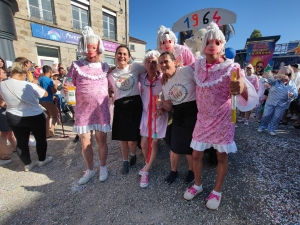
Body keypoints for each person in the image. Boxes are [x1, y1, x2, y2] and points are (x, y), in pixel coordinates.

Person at [183, 22, 258, 210]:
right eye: (208, 41)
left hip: (223, 119)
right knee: (196, 154)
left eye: (216, 41)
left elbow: (245, 94)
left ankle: (217, 190)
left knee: (221, 157)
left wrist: (240, 87)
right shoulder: (198, 65)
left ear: (222, 45)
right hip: (202, 119)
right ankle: (197, 185)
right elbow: (182, 67)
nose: (211, 44)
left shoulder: (231, 68)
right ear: (203, 45)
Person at [64, 26, 111, 185]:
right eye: (88, 47)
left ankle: (103, 167)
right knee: (85, 142)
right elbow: (69, 84)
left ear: (99, 48)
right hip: (83, 111)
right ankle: (90, 169)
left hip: (101, 110)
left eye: (93, 47)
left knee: (101, 140)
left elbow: (116, 83)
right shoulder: (76, 65)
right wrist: (66, 87)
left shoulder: (105, 67)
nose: (91, 50)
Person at [0, 61, 52, 171]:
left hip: (13, 115)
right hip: (34, 115)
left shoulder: (2, 84)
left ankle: (27, 163)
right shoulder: (29, 85)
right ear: (23, 73)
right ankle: (42, 160)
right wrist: (35, 84)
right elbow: (45, 94)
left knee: (21, 140)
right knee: (40, 139)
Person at [158, 51, 197, 185]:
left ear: (174, 62)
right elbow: (170, 106)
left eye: (166, 61)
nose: (163, 64)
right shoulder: (164, 83)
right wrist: (162, 105)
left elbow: (201, 86)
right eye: (161, 63)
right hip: (178, 112)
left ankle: (192, 171)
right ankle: (173, 171)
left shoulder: (186, 71)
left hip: (193, 110)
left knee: (189, 146)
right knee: (174, 146)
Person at [108, 45, 146, 174]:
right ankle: (125, 161)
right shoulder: (111, 73)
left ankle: (133, 154)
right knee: (122, 137)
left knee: (132, 138)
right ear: (115, 55)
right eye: (119, 53)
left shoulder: (135, 67)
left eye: (125, 54)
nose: (122, 56)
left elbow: (150, 69)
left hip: (134, 104)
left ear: (129, 57)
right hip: (120, 106)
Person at [138, 50, 168, 188]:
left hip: (158, 115)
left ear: (158, 65)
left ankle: (146, 171)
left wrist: (162, 107)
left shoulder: (164, 78)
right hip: (145, 115)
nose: (151, 64)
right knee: (144, 144)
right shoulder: (141, 77)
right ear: (145, 63)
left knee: (154, 142)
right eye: (148, 61)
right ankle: (148, 163)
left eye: (154, 62)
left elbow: (168, 96)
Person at [258, 66, 298, 135]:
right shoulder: (276, 81)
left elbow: (295, 93)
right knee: (266, 115)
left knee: (277, 117)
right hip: (271, 102)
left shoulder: (291, 84)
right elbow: (269, 80)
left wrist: (292, 94)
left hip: (282, 104)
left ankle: (271, 129)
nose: (287, 76)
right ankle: (262, 126)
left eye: (288, 74)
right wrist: (278, 76)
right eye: (285, 74)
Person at [0, 68, 17, 153]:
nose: (5, 73)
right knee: (4, 133)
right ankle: (4, 153)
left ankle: (15, 148)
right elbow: (1, 102)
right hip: (2, 110)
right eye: (3, 72)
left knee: (10, 131)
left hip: (7, 109)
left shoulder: (3, 84)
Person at [39, 65, 58, 138]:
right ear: (50, 71)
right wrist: (55, 86)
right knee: (55, 116)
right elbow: (53, 91)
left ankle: (46, 133)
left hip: (40, 100)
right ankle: (52, 129)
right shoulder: (49, 80)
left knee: (47, 117)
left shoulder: (40, 79)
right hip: (48, 100)